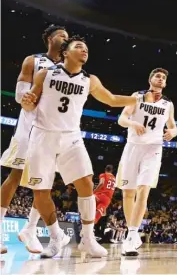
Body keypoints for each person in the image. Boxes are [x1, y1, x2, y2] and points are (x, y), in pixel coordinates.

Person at [20, 35, 138, 258]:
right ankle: (56, 237)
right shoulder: (46, 74)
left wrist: (138, 100)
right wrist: (27, 102)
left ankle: (88, 238)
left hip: (71, 137)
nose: (84, 50)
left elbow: (111, 99)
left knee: (85, 184)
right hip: (43, 135)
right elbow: (31, 101)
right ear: (66, 52)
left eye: (86, 48)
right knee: (40, 192)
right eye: (78, 47)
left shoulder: (89, 79)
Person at [0, 25, 68, 255]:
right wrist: (34, 97)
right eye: (61, 35)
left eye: (67, 37)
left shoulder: (69, 71)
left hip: (52, 131)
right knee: (15, 176)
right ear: (49, 38)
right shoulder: (33, 61)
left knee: (44, 183)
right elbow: (20, 95)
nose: (65, 38)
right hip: (29, 128)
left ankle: (30, 228)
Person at [116, 68, 177, 256]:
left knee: (143, 191)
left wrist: (172, 133)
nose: (161, 79)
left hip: (153, 149)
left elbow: (174, 127)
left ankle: (132, 235)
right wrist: (133, 123)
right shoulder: (137, 96)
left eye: (164, 77)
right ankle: (131, 233)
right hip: (133, 146)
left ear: (165, 84)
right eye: (158, 76)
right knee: (128, 193)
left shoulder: (168, 104)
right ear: (150, 79)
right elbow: (122, 119)